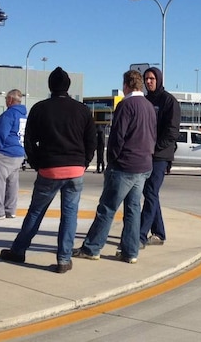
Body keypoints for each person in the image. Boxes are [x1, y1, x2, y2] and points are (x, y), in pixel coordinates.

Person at [0, 68, 96, 274]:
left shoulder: (40, 108)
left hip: (49, 169)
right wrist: (84, 162)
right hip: (75, 169)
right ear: (68, 86)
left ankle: (18, 250)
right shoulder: (82, 110)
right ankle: (64, 259)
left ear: (50, 86)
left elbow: (29, 140)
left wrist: (36, 163)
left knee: (36, 212)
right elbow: (91, 141)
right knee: (70, 215)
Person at [75, 70, 156, 264]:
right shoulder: (149, 106)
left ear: (127, 84)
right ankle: (130, 251)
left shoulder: (125, 105)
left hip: (125, 165)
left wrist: (112, 159)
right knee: (133, 210)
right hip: (143, 165)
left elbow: (118, 136)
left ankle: (92, 247)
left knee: (107, 208)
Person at [139, 66, 180, 248]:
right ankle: (159, 233)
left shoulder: (169, 101)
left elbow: (172, 132)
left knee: (150, 193)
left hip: (160, 155)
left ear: (159, 80)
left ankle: (140, 235)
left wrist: (156, 148)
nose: (148, 81)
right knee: (150, 193)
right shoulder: (145, 100)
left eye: (152, 79)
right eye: (146, 78)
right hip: (145, 153)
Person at [0, 89, 27, 220]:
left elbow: (0, 134)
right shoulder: (23, 115)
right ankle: (10, 210)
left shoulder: (8, 115)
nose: (6, 101)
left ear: (10, 100)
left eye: (6, 99)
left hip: (4, 153)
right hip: (18, 152)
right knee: (12, 183)